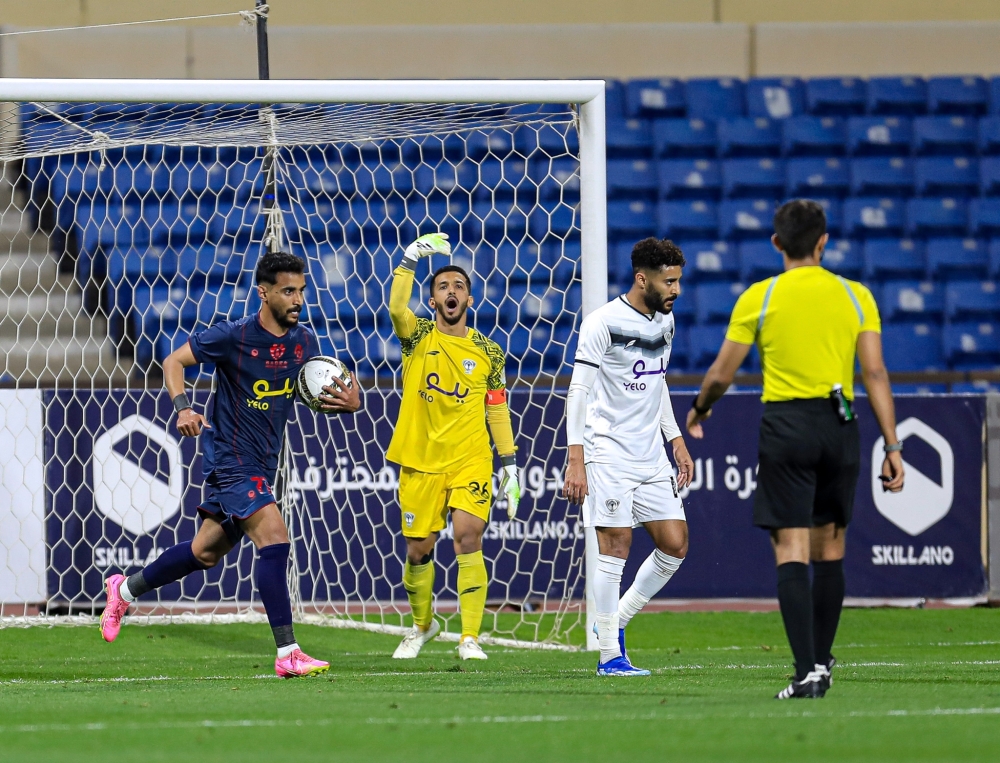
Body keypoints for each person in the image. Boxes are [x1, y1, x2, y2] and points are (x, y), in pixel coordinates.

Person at [99, 251, 361, 678]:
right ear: (264, 292)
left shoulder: (305, 343)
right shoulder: (233, 336)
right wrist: (183, 408)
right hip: (231, 461)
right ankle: (288, 653)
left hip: (263, 462)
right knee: (275, 538)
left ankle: (124, 589)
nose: (297, 300)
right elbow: (173, 362)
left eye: (302, 291)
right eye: (288, 291)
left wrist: (349, 402)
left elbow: (315, 392)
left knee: (204, 553)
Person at [686, 199, 904, 699]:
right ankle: (822, 663)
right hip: (838, 422)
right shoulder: (856, 296)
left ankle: (806, 669)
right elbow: (874, 373)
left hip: (787, 423)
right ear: (824, 242)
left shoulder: (759, 298)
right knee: (831, 546)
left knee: (791, 547)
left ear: (777, 243)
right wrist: (893, 445)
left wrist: (699, 408)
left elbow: (723, 372)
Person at [562, 237, 695, 677]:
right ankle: (608, 656)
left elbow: (658, 384)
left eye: (678, 280)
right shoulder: (603, 323)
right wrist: (576, 458)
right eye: (668, 281)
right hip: (607, 451)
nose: (675, 290)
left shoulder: (665, 323)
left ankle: (614, 621)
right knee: (616, 545)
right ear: (643, 278)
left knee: (674, 545)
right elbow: (578, 391)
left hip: (650, 454)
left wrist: (675, 439)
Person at [386, 233, 521, 661]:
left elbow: (496, 409)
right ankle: (424, 626)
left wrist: (511, 465)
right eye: (442, 286)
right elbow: (394, 307)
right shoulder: (417, 337)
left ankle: (469, 638)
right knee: (418, 549)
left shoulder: (489, 352)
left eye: (458, 286)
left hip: (470, 458)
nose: (451, 291)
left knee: (467, 536)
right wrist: (408, 261)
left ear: (469, 298)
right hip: (420, 460)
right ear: (432, 300)